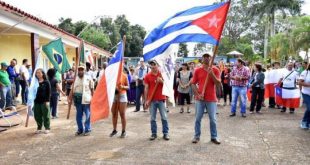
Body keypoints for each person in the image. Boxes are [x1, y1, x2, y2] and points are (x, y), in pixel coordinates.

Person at [190, 54, 221, 144]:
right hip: (200, 99)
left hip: (211, 98)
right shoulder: (197, 70)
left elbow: (218, 83)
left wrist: (211, 74)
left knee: (213, 119)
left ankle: (214, 137)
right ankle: (196, 136)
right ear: (202, 59)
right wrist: (198, 94)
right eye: (205, 57)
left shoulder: (215, 69)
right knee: (198, 118)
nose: (206, 58)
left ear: (211, 58)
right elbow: (192, 83)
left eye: (208, 57)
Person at [144, 60, 170, 141]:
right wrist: (146, 100)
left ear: (157, 65)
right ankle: (153, 133)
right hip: (152, 100)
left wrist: (161, 81)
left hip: (161, 99)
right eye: (151, 65)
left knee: (164, 117)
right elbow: (146, 88)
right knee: (152, 118)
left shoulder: (162, 74)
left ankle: (165, 133)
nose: (153, 66)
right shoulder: (147, 76)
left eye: (154, 64)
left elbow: (167, 85)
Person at [71, 65, 94, 136]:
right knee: (78, 116)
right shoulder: (75, 79)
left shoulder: (88, 78)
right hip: (78, 100)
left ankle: (87, 129)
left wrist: (93, 97)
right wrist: (70, 98)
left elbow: (92, 88)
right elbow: (72, 90)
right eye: (79, 70)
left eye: (82, 70)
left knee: (87, 115)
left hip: (86, 99)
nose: (80, 71)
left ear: (84, 70)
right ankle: (80, 129)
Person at [110, 67, 129, 138]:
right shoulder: (111, 75)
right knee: (114, 113)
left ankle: (123, 131)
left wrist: (122, 86)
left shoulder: (124, 75)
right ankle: (114, 130)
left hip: (122, 95)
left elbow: (128, 87)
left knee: (122, 113)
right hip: (113, 95)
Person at [33, 69, 51, 134]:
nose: (38, 74)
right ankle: (39, 127)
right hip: (36, 101)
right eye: (37, 73)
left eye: (39, 73)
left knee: (46, 115)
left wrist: (47, 101)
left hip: (44, 101)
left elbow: (48, 92)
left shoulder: (46, 82)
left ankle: (47, 127)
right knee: (37, 115)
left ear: (42, 73)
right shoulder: (35, 82)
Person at [299, 63, 310, 129]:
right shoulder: (305, 72)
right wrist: (309, 85)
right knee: (309, 108)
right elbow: (300, 82)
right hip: (306, 93)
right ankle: (304, 121)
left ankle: (308, 122)